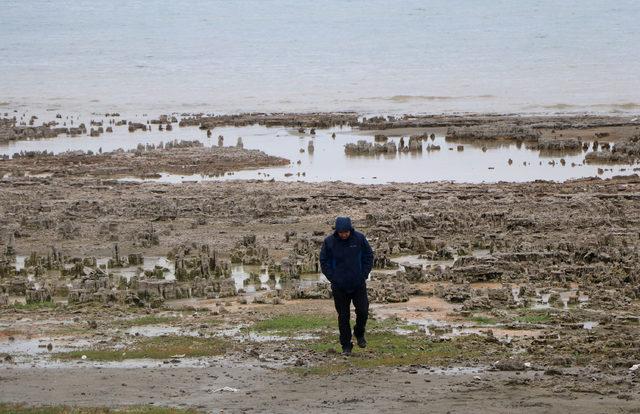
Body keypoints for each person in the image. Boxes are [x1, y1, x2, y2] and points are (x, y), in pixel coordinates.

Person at [320, 216, 374, 355]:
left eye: (346, 232)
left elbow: (369, 256)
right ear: (337, 231)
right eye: (341, 232)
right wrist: (333, 278)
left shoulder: (359, 239)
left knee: (363, 311)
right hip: (339, 286)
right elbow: (324, 261)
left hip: (358, 284)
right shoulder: (329, 242)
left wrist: (364, 274)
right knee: (343, 317)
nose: (344, 234)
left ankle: (359, 332)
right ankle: (346, 345)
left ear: (350, 230)